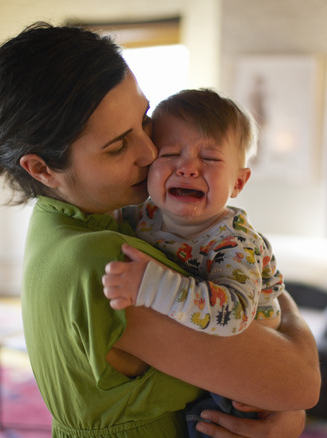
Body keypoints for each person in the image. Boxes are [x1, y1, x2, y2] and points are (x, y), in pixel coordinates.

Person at [0, 22, 320, 438]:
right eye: (118, 146)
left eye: (144, 121)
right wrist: (290, 316)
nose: (150, 151)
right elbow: (300, 383)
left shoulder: (74, 223)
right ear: (42, 169)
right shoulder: (111, 265)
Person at [101, 88, 284, 436]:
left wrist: (150, 286)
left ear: (239, 182)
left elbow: (234, 314)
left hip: (241, 373)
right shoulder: (143, 215)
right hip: (190, 356)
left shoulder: (234, 243)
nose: (187, 168)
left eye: (211, 159)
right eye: (170, 153)